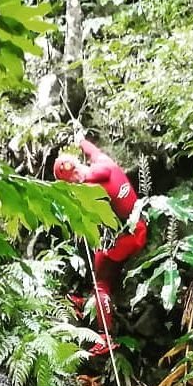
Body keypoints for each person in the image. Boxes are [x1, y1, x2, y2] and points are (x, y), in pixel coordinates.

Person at [53, 138, 148, 356]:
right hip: (136, 226)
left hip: (132, 237)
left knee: (101, 283)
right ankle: (88, 302)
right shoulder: (103, 162)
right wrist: (81, 140)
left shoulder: (91, 189)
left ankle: (105, 337)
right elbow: (92, 151)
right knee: (98, 258)